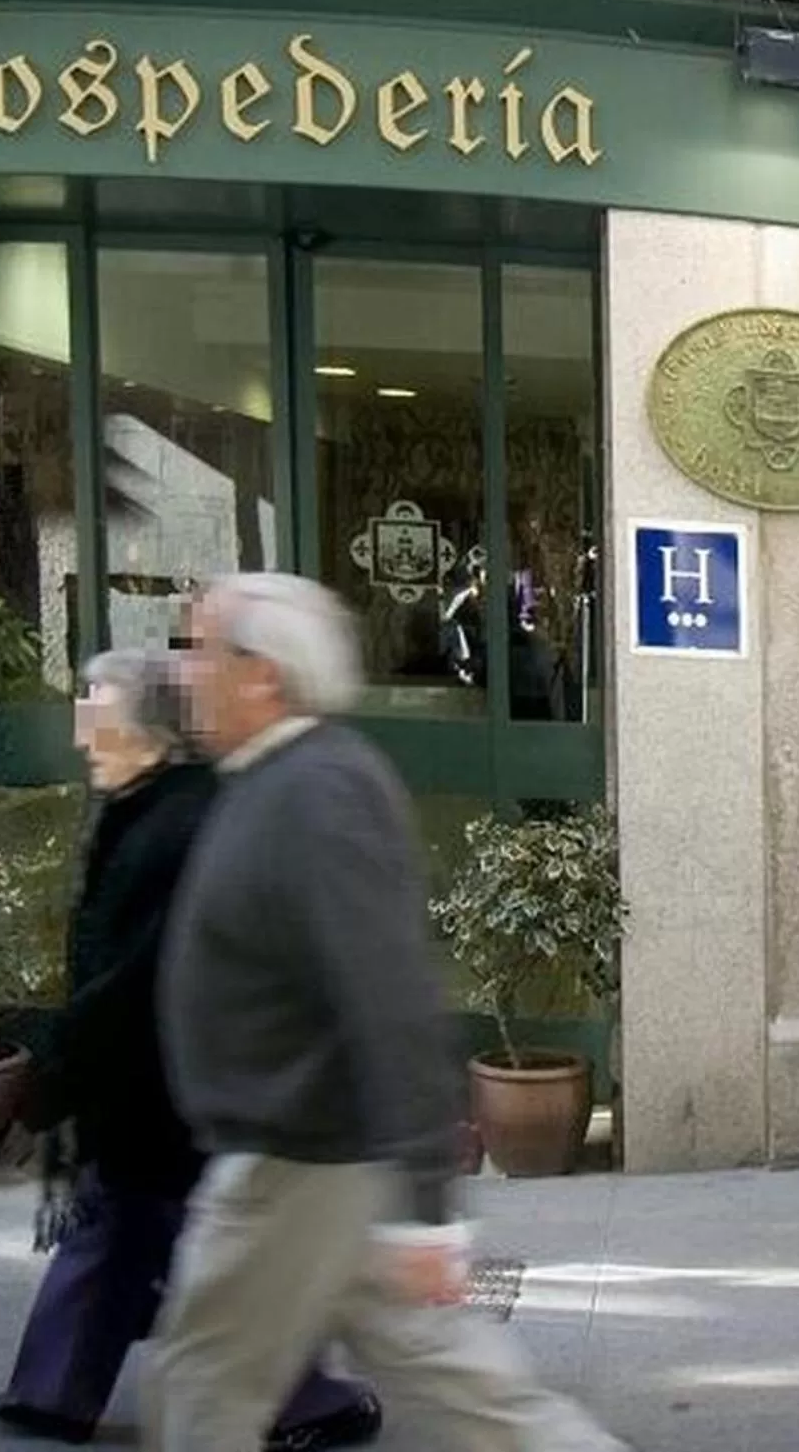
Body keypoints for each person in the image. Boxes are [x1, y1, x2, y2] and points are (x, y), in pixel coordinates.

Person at [149, 573, 625, 1452]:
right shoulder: (274, 779)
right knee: (464, 1386)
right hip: (309, 1160)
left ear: (261, 673)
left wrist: (423, 1210)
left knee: (203, 1384)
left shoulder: (317, 790)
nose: (184, 671)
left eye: (202, 649)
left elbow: (393, 1003)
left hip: (300, 1167)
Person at [0, 649, 381, 1450]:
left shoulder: (184, 820)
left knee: (191, 1249)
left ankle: (311, 1398)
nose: (82, 734)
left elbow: (142, 973)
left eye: (98, 713)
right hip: (150, 1085)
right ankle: (52, 1391)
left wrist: (59, 1064)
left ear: (152, 731)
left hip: (184, 1083)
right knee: (121, 1231)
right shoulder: (142, 805)